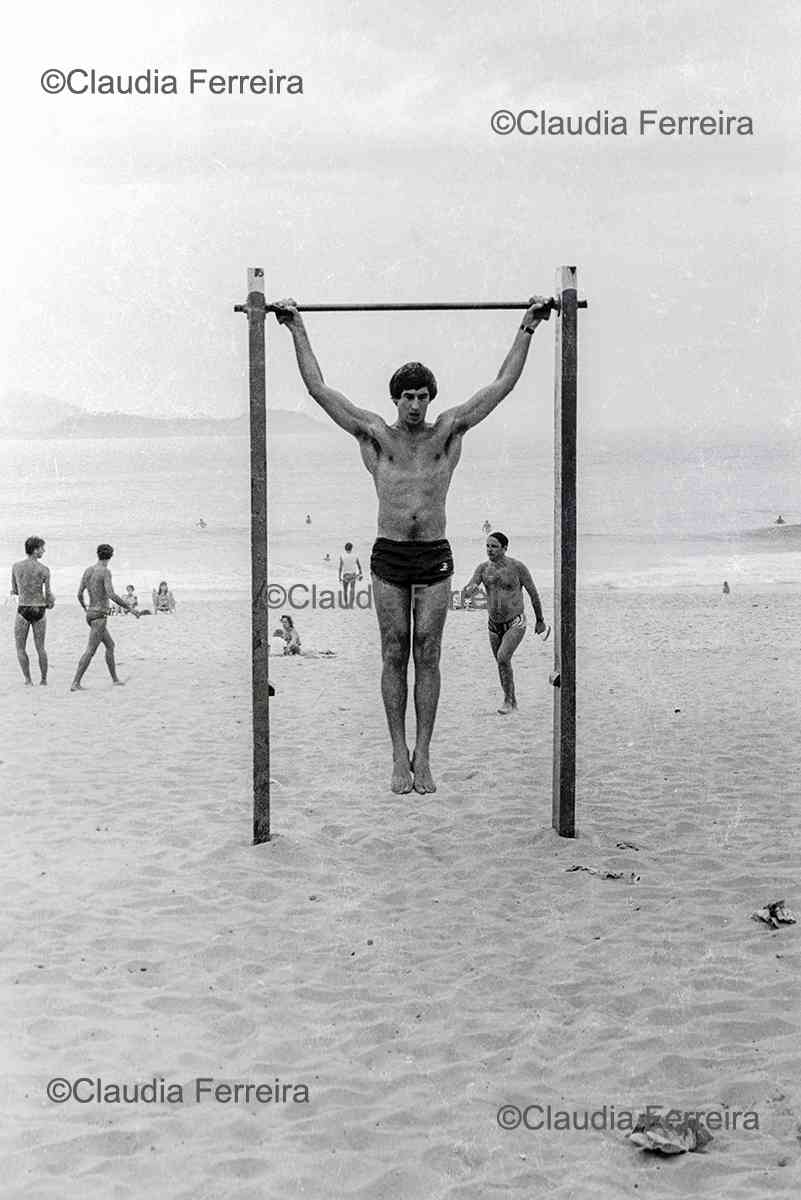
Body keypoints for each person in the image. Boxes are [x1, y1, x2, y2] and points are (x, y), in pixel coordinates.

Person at [274, 293, 551, 792]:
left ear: (431, 397)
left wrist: (527, 326)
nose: (417, 405)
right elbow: (319, 390)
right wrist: (296, 327)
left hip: (434, 555)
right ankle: (396, 754)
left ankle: (423, 753)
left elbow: (501, 386)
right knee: (392, 651)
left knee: (428, 652)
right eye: (409, 397)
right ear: (396, 400)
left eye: (424, 396)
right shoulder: (375, 434)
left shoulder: (448, 431)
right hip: (389, 555)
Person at [463, 532, 547, 714]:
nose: (489, 550)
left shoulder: (517, 567)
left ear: (505, 548)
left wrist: (540, 620)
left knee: (502, 657)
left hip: (516, 621)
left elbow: (533, 593)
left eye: (494, 546)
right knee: (501, 663)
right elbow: (470, 587)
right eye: (487, 546)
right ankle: (511, 701)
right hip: (493, 624)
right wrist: (469, 591)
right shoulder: (483, 569)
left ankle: (509, 701)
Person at [71, 544, 140, 691]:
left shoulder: (88, 571)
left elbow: (79, 594)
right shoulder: (105, 572)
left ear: (98, 554)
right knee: (90, 650)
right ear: (111, 556)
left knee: (110, 645)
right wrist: (130, 608)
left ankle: (115, 679)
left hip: (90, 614)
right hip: (100, 615)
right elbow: (111, 594)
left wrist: (85, 608)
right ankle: (75, 682)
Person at [11, 535, 55, 685]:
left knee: (20, 647)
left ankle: (28, 680)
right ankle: (43, 680)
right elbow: (48, 596)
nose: (44, 550)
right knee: (40, 647)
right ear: (35, 550)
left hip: (23, 608)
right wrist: (50, 602)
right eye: (42, 548)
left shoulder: (16, 566)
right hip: (39, 609)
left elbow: (15, 590)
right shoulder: (44, 569)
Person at [339, 541, 363, 607]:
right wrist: (361, 573)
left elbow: (340, 567)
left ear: (345, 548)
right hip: (353, 574)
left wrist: (339, 577)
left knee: (345, 590)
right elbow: (359, 566)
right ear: (351, 548)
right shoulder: (355, 556)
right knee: (352, 589)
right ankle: (351, 604)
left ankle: (346, 604)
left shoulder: (342, 556)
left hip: (345, 575)